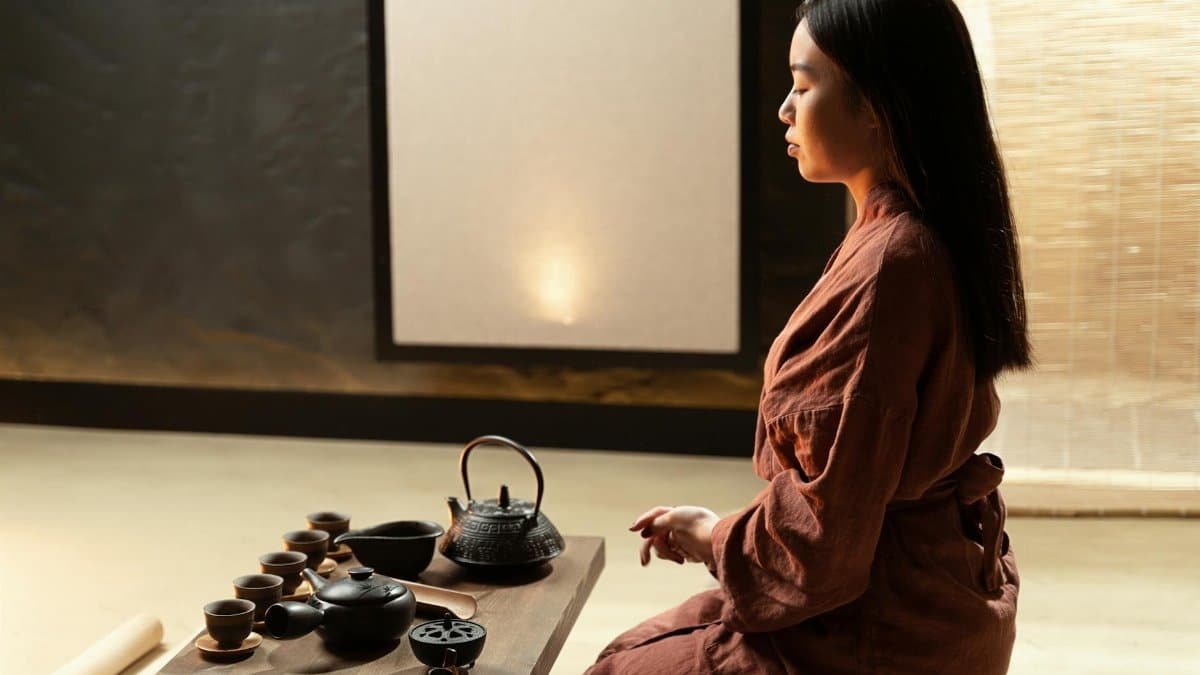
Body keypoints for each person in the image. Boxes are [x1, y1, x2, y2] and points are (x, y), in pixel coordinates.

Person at [586, 0, 1032, 672]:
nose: (784, 111)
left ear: (878, 103)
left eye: (802, 84)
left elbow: (826, 540)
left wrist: (713, 536)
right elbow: (846, 487)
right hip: (935, 588)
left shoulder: (892, 265)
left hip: (878, 626)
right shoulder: (915, 235)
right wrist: (721, 531)